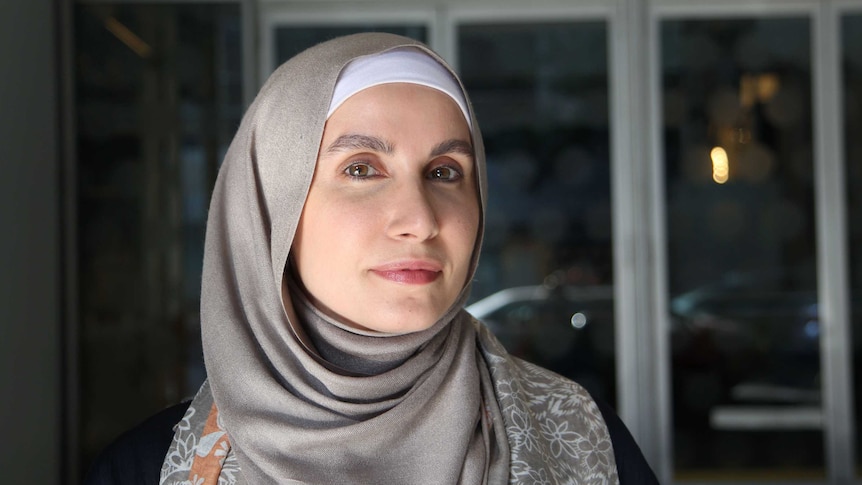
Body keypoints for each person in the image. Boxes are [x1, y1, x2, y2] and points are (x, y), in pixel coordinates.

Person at [86, 32, 659, 484]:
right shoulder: (145, 471)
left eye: (445, 173)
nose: (421, 219)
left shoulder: (584, 441)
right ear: (272, 208)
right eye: (361, 169)